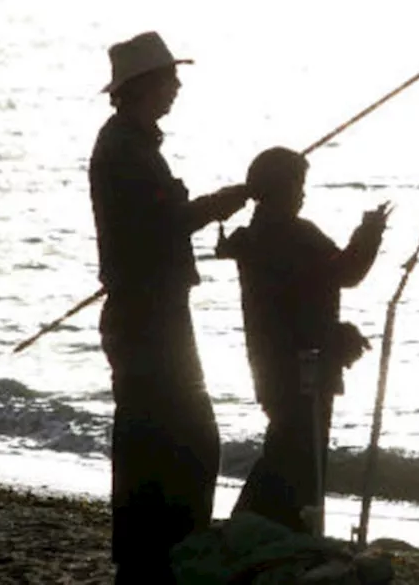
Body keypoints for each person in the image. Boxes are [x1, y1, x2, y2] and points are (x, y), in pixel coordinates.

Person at [88, 31, 250, 584]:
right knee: (186, 439)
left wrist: (210, 206)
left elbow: (155, 223)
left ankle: (153, 554)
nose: (177, 87)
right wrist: (221, 202)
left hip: (147, 310)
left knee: (156, 436)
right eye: (168, 78)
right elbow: (167, 220)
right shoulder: (125, 150)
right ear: (142, 87)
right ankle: (163, 554)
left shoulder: (130, 144)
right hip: (147, 316)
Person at [215, 146, 390, 535]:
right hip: (305, 365)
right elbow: (347, 272)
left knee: (285, 448)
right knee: (298, 457)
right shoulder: (295, 234)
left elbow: (303, 292)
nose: (303, 194)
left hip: (270, 364)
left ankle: (257, 529)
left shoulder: (255, 235)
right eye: (298, 184)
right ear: (283, 188)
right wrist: (370, 231)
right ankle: (258, 531)